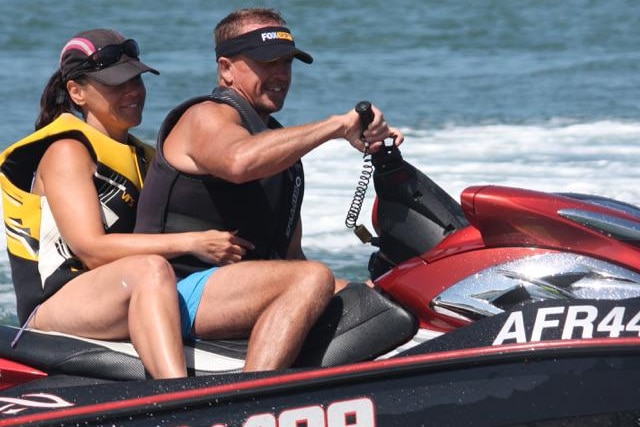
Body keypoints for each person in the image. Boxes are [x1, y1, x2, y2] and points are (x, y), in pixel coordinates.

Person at [0, 28, 333, 378]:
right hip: (57, 305)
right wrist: (193, 242)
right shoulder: (66, 151)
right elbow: (92, 249)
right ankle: (176, 397)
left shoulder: (143, 157)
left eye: (137, 81)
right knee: (150, 268)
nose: (132, 92)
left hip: (121, 294)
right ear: (76, 92)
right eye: (116, 84)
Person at [135, 8, 404, 293]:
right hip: (171, 291)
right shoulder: (205, 116)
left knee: (382, 297)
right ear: (226, 68)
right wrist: (337, 126)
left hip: (247, 290)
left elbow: (290, 260)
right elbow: (238, 162)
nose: (281, 74)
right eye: (267, 62)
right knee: (314, 276)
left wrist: (366, 292)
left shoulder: (279, 151)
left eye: (287, 62)